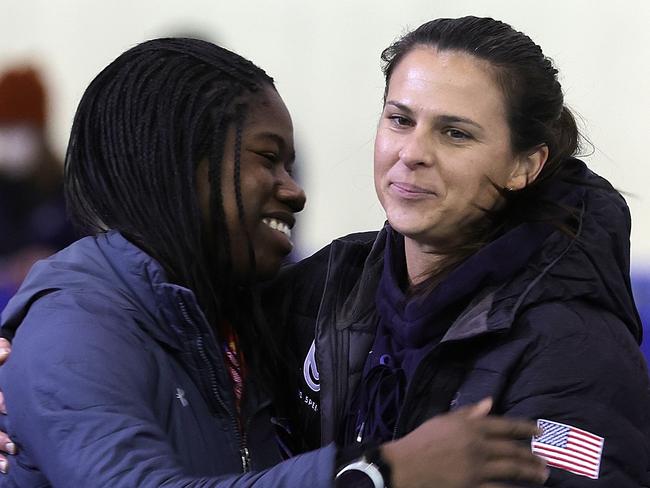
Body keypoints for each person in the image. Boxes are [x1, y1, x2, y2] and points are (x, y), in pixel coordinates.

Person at [0, 38, 547, 488]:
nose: (296, 191)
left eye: (455, 132)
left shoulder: (239, 319)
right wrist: (380, 474)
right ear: (181, 165)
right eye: (268, 159)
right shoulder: (75, 323)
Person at [278, 16, 650, 487]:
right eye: (400, 119)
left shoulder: (577, 350)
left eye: (455, 133)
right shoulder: (327, 283)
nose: (412, 152)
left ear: (524, 166)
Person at [0, 67, 77, 309]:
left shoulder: (64, 188)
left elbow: (87, 250)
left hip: (51, 305)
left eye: (20, 127)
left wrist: (50, 262)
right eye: (4, 127)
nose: (10, 137)